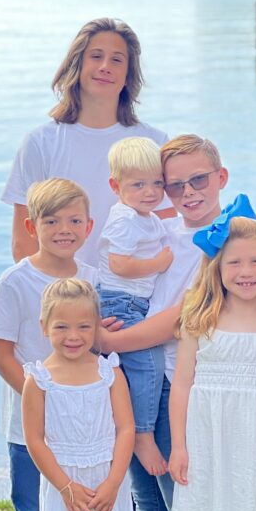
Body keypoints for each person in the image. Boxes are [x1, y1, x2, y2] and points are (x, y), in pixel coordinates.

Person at [98, 134, 229, 511]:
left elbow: (181, 319)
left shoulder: (225, 238)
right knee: (149, 505)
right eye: (175, 185)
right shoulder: (160, 230)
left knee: (190, 510)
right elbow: (123, 276)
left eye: (199, 180)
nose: (187, 192)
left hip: (182, 384)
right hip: (140, 374)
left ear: (221, 177)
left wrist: (109, 339)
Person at [169, 198, 256, 511]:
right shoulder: (200, 318)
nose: (246, 271)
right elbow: (181, 385)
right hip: (203, 439)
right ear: (217, 269)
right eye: (234, 262)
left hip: (254, 440)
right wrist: (178, 446)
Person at [0, 179, 98, 511]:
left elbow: (95, 344)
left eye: (73, 221)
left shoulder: (92, 278)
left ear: (89, 226)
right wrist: (44, 402)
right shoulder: (15, 281)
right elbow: (2, 356)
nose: (63, 230)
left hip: (82, 429)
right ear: (31, 227)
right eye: (50, 221)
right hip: (29, 427)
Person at [2, 17, 169, 265]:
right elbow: (24, 241)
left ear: (127, 75)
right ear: (77, 65)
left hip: (135, 295)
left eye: (116, 59)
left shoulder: (154, 142)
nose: (105, 66)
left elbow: (167, 231)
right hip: (64, 296)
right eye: (95, 56)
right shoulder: (40, 143)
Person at [22, 278, 138, 511]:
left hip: (107, 480)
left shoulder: (109, 372)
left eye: (84, 326)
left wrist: (113, 482)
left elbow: (126, 429)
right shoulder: (39, 380)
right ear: (44, 326)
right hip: (63, 481)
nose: (73, 336)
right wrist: (65, 487)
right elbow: (35, 440)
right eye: (61, 326)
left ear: (97, 326)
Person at [96, 136, 173, 477]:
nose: (150, 192)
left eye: (157, 183)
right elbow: (120, 264)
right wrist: (158, 263)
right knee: (148, 364)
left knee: (145, 365)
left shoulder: (149, 217)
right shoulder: (124, 219)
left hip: (136, 302)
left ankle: (134, 428)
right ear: (116, 186)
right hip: (119, 301)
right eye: (138, 184)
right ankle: (141, 434)